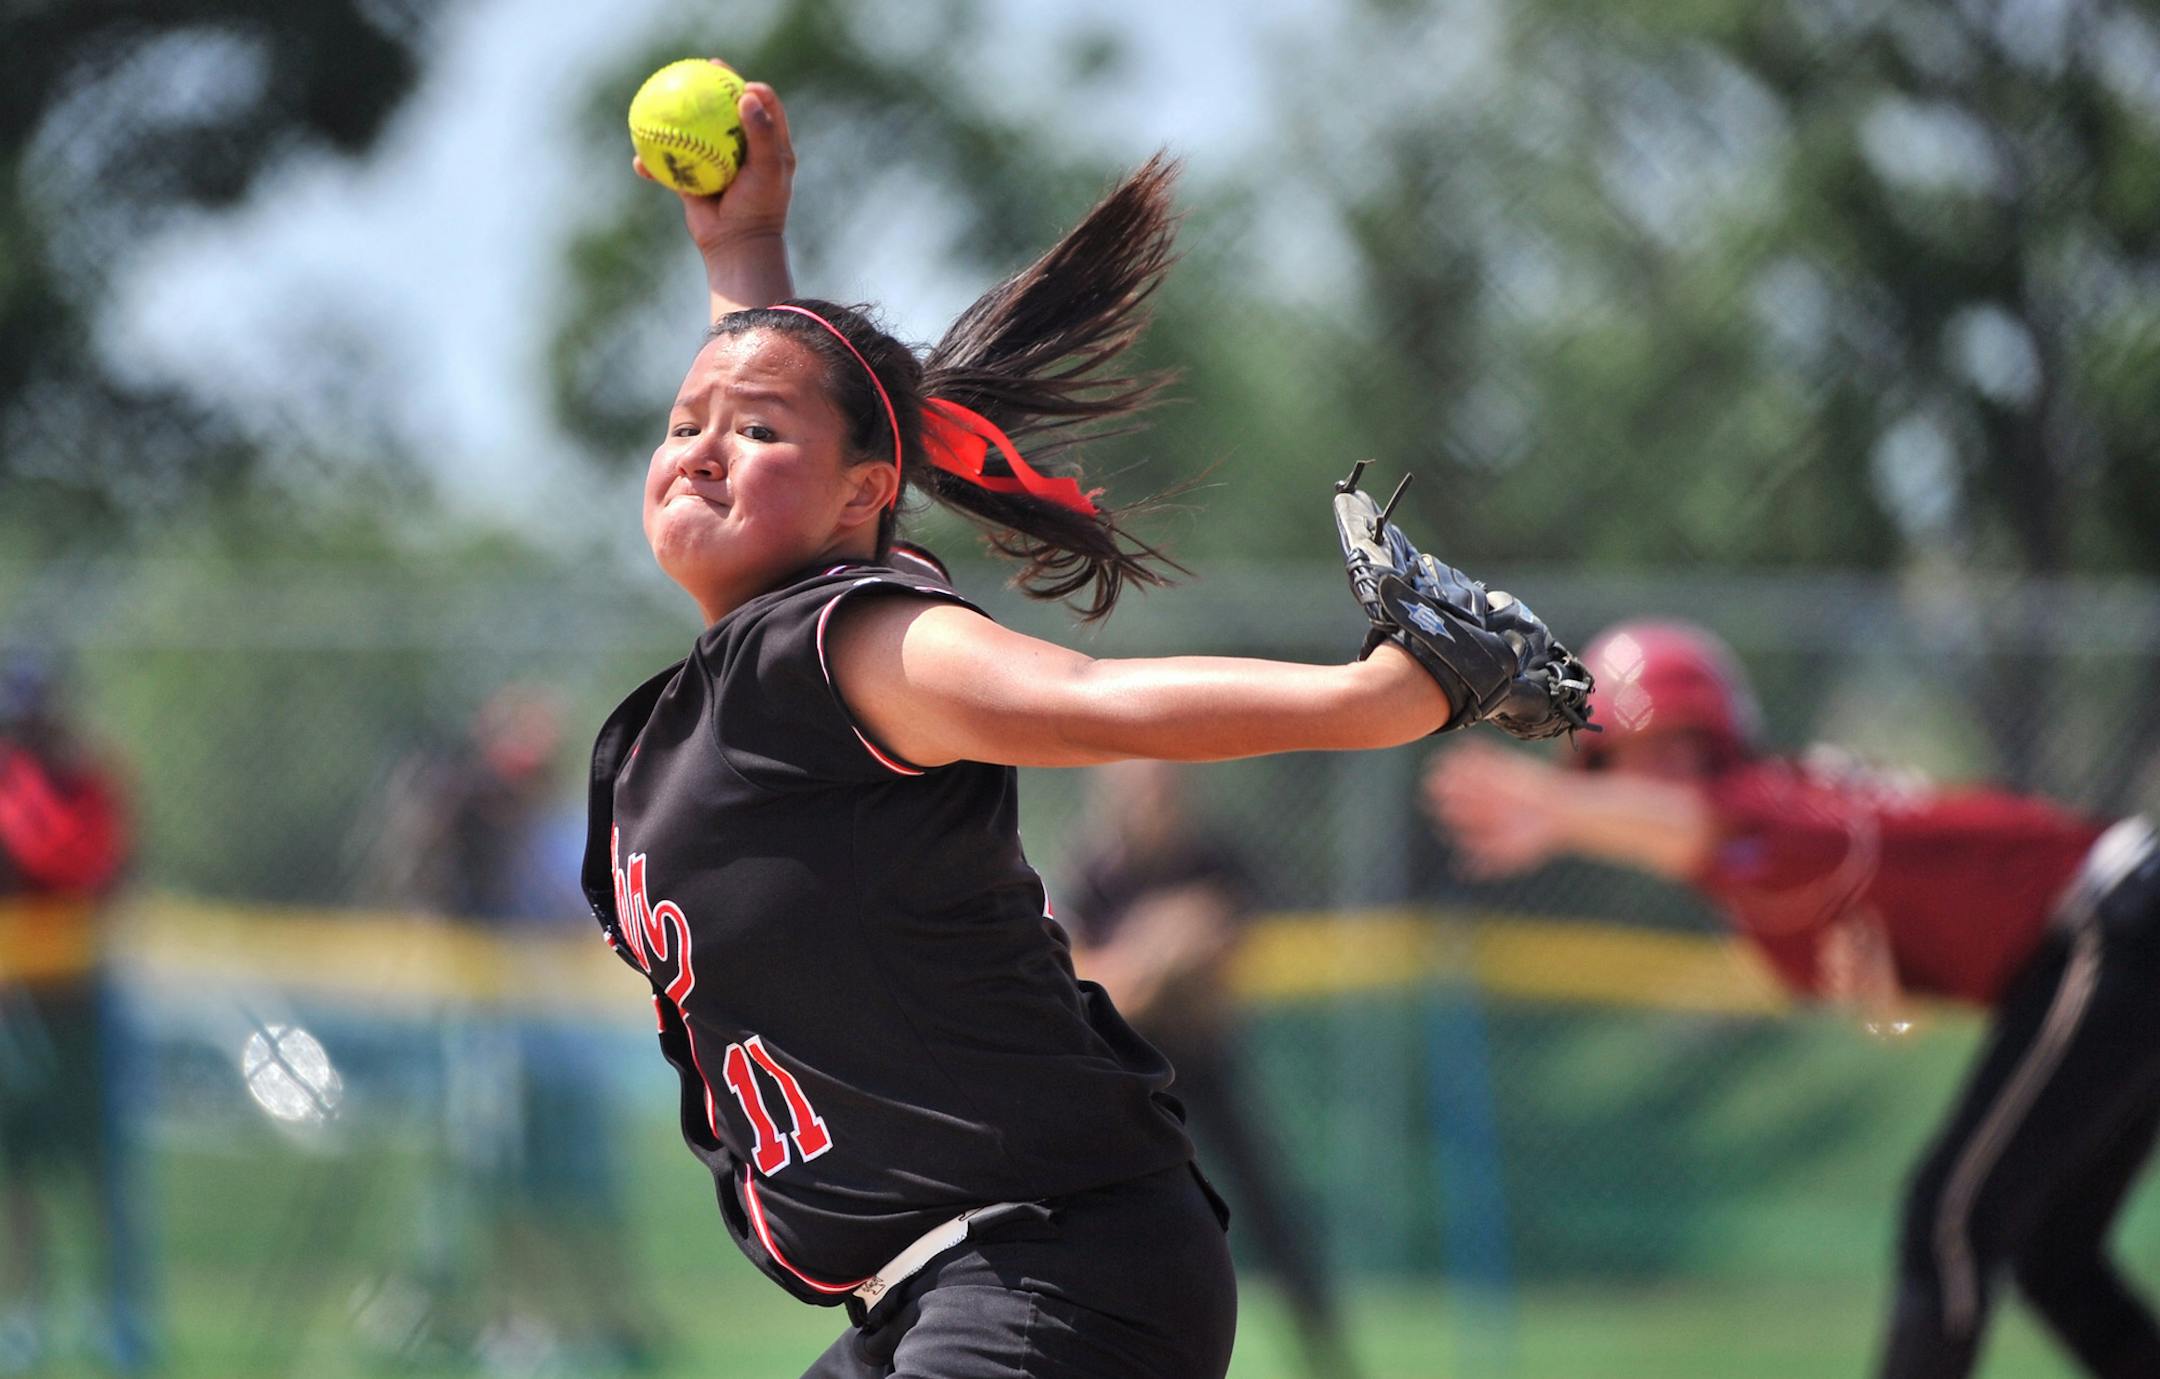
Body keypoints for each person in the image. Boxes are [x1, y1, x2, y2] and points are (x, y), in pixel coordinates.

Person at [580, 68, 1574, 1379]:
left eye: (752, 430)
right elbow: (796, 408)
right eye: (683, 421)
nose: (700, 446)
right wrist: (738, 247)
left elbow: (1096, 704)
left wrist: (1380, 695)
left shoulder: (849, 648)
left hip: (1052, 1267)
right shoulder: (725, 695)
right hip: (931, 1295)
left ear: (863, 495)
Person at [1422, 620, 2160, 1379]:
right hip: (2110, 929)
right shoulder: (1766, 875)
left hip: (2118, 918)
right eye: (1610, 763)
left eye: (1638, 755)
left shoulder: (1767, 814)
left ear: (1699, 745)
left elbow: (1697, 822)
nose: (1625, 782)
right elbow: (1881, 980)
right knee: (2050, 1248)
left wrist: (1561, 810)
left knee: (1949, 1218)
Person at [1062, 760, 1359, 1379]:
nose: (1150, 795)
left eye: (1161, 782)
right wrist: (1157, 952)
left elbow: (1222, 954)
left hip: (1206, 1065)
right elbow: (1087, 983)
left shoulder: (1210, 857)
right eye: (1135, 782)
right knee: (1126, 1227)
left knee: (1274, 1219)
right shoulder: (1096, 871)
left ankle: (1328, 1358)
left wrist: (1163, 959)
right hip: (1132, 1077)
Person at [0, 650, 150, 1374]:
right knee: (16, 1175)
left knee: (101, 1175)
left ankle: (116, 1322)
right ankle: (22, 1323)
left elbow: (100, 865)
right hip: (9, 1006)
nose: (30, 725)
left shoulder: (92, 781)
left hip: (83, 1007)